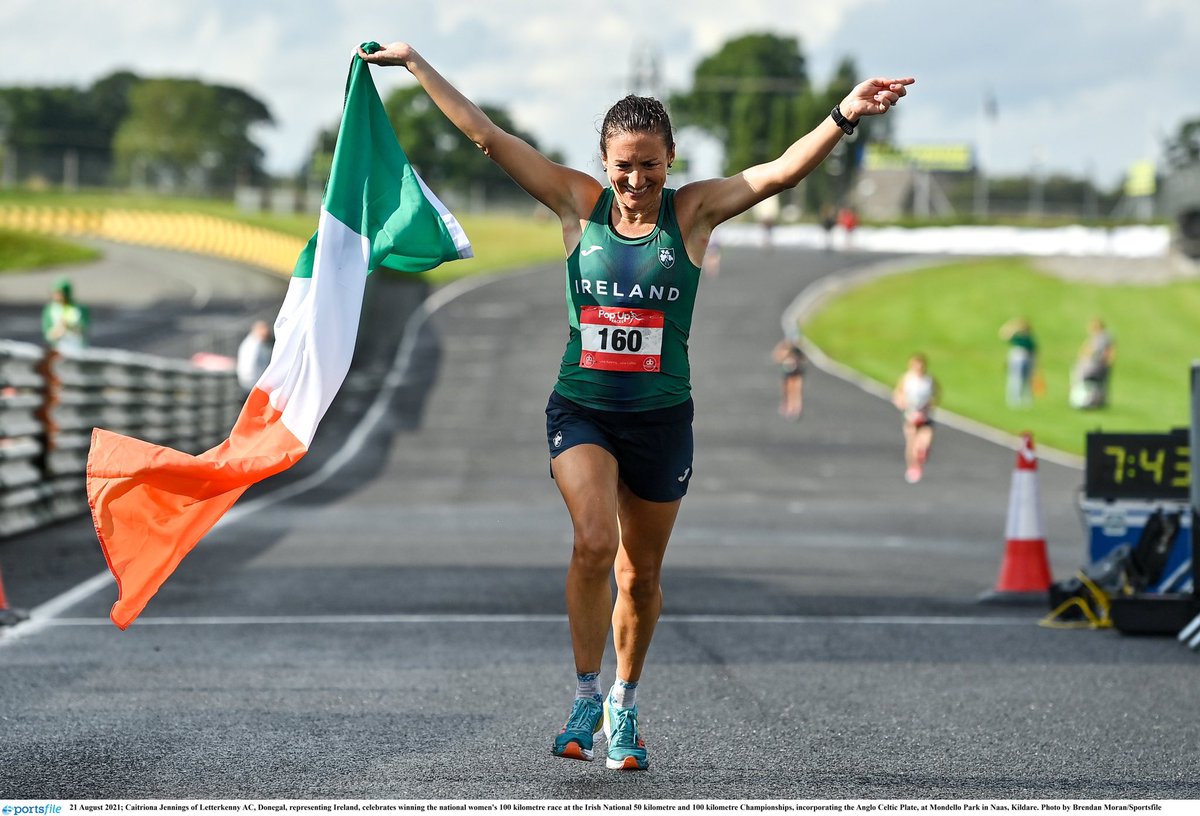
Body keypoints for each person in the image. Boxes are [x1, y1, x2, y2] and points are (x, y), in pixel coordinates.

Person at [359, 40, 913, 771]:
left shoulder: (693, 214)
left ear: (671, 160)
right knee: (594, 542)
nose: (636, 178)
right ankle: (585, 692)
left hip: (661, 419)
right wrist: (416, 64)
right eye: (623, 164)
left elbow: (778, 172)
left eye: (649, 163)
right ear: (603, 161)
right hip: (582, 410)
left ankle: (624, 700)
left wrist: (844, 113)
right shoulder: (574, 203)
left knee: (639, 576)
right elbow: (486, 138)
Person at [891, 353, 938, 484]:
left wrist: (930, 405)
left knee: (926, 440)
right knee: (911, 442)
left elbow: (936, 394)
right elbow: (897, 395)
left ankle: (922, 452)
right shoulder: (907, 379)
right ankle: (913, 467)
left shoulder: (929, 380)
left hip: (925, 416)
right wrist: (903, 404)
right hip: (911, 416)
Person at [1071, 318, 1115, 409]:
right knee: (1095, 384)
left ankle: (1092, 401)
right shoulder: (1096, 337)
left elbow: (1108, 351)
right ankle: (1090, 400)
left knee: (1095, 384)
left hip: (1097, 365)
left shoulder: (1104, 338)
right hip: (1094, 365)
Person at [41, 278, 89, 351]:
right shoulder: (50, 310)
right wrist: (56, 333)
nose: (55, 296)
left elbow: (84, 328)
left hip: (76, 347)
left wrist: (69, 327)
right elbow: (47, 333)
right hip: (57, 349)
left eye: (58, 293)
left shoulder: (79, 309)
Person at [998, 317, 1037, 408]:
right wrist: (1012, 326)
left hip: (1027, 359)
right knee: (1016, 379)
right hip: (1017, 359)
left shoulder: (1029, 339)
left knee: (1027, 380)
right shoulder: (1016, 337)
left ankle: (1026, 400)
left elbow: (1034, 352)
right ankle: (1014, 400)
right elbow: (1003, 334)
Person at [772, 336, 807, 419]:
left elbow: (804, 360)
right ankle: (789, 406)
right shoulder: (785, 348)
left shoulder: (798, 349)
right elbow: (777, 357)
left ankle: (796, 408)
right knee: (788, 389)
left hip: (797, 371)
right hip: (788, 372)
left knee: (796, 390)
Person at [236, 319, 273, 392]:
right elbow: (250, 367)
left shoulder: (250, 342)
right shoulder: (255, 345)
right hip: (253, 384)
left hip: (248, 383)